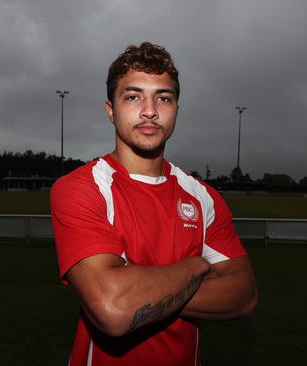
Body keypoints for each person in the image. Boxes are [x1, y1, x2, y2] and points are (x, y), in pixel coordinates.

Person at [51, 42, 258, 366]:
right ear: (111, 110)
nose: (150, 110)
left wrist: (139, 290)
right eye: (133, 96)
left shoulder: (202, 197)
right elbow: (115, 309)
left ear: (176, 109)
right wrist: (196, 267)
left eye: (164, 98)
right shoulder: (82, 188)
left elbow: (244, 294)